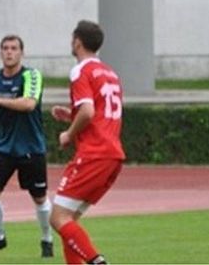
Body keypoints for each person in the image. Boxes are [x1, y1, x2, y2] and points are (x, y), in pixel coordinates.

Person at [0, 35, 52, 259]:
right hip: (4, 147)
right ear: (0, 53)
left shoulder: (31, 75)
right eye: (5, 48)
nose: (9, 52)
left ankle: (47, 238)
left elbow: (29, 104)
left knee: (39, 197)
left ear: (21, 53)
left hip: (31, 147)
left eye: (14, 48)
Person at [49, 21, 124, 265]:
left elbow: (89, 112)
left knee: (58, 218)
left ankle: (96, 261)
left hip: (94, 153)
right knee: (69, 220)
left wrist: (69, 133)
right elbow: (102, 113)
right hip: (112, 155)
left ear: (78, 41)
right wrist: (72, 114)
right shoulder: (110, 73)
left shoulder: (81, 70)